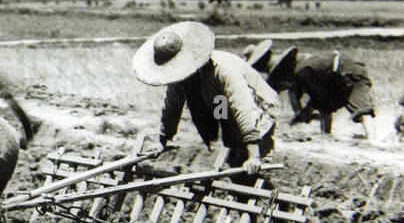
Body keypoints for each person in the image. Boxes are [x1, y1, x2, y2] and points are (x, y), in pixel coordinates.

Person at [133, 22, 279, 175]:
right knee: (232, 153)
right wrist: (162, 141)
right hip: (221, 101)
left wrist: (254, 155)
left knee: (247, 165)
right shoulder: (180, 77)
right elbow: (172, 107)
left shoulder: (223, 69)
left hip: (259, 108)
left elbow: (244, 107)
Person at [268, 47, 376, 140]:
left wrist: (306, 113)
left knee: (362, 111)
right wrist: (300, 116)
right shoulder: (299, 74)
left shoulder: (303, 73)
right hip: (337, 81)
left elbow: (321, 99)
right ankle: (327, 135)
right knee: (326, 106)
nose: (282, 90)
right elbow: (312, 100)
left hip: (350, 76)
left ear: (284, 78)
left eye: (281, 87)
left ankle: (373, 141)